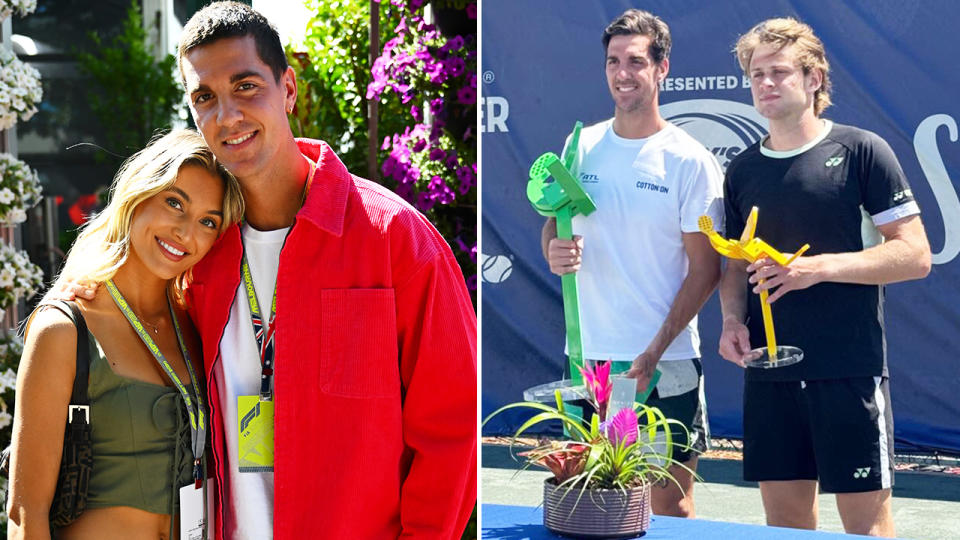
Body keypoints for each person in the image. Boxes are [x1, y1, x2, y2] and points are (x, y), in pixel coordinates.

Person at [170, 3, 476, 539]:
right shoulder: (199, 256)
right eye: (205, 97)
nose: (227, 116)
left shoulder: (393, 238)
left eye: (245, 86)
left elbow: (453, 428)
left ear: (288, 89)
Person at [718, 18, 931, 537]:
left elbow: (915, 255)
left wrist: (816, 268)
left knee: (867, 528)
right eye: (756, 74)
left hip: (848, 369)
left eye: (779, 72)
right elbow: (733, 266)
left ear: (814, 78)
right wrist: (730, 319)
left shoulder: (862, 150)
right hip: (770, 374)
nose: (765, 84)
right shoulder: (742, 169)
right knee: (785, 527)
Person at [7, 129, 244, 539]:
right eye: (175, 203)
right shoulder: (65, 329)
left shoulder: (197, 325)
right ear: (138, 196)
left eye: (208, 222)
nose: (186, 233)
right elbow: (25, 514)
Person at [541, 9, 723, 518]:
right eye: (613, 61)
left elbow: (706, 270)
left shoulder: (688, 160)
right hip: (587, 362)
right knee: (581, 501)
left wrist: (652, 352)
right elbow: (556, 225)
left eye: (637, 61)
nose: (623, 73)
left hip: (662, 365)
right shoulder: (581, 147)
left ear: (662, 68)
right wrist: (551, 247)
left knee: (666, 507)